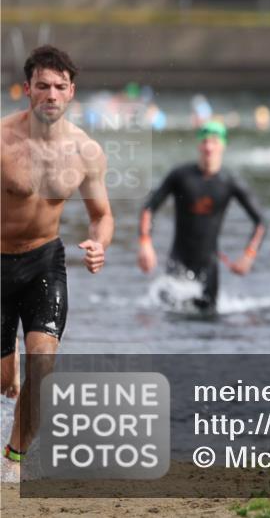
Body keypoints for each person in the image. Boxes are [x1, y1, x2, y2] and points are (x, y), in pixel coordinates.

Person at [1, 45, 114, 469]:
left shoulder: (86, 153)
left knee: (43, 364)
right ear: (27, 90)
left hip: (44, 262)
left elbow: (101, 216)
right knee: (3, 379)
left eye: (60, 87)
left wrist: (99, 243)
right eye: (43, 86)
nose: (51, 94)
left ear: (71, 93)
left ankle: (12, 461)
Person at [137, 121, 265, 313]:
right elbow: (149, 208)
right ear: (198, 145)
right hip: (178, 262)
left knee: (209, 323)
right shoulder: (180, 176)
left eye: (214, 141)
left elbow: (260, 222)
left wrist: (249, 255)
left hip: (209, 266)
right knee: (170, 319)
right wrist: (145, 243)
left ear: (223, 145)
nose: (208, 147)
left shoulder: (229, 182)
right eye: (204, 141)